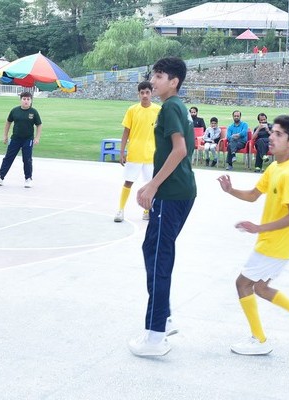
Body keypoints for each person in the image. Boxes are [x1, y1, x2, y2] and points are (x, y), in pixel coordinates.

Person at [217, 115, 289, 356]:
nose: (271, 137)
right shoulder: (274, 167)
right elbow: (253, 195)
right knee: (260, 288)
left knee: (242, 284)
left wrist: (258, 228)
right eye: (272, 132)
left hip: (276, 244)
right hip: (276, 243)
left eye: (279, 134)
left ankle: (259, 340)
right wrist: (230, 190)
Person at [128, 57, 197, 357]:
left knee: (158, 258)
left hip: (171, 193)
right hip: (179, 191)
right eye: (153, 76)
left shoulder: (170, 107)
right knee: (152, 249)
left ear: (174, 81)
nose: (153, 81)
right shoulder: (176, 107)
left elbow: (179, 150)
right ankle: (164, 317)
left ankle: (155, 336)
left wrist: (153, 185)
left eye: (158, 76)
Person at [113, 81, 161, 222]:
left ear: (151, 93)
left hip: (151, 154)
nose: (145, 95)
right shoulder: (132, 110)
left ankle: (147, 210)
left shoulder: (158, 110)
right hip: (134, 152)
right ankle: (120, 209)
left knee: (150, 184)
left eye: (147, 92)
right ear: (138, 94)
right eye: (142, 93)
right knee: (128, 182)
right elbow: (126, 132)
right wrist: (122, 152)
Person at [0, 91, 42, 188]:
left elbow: (39, 125)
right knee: (8, 158)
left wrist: (37, 138)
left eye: (28, 99)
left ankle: (28, 179)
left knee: (27, 159)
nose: (26, 101)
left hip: (28, 140)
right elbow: (8, 122)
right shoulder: (15, 111)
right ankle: (0, 177)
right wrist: (5, 136)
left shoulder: (33, 112)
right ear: (20, 100)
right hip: (15, 139)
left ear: (31, 101)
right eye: (24, 99)